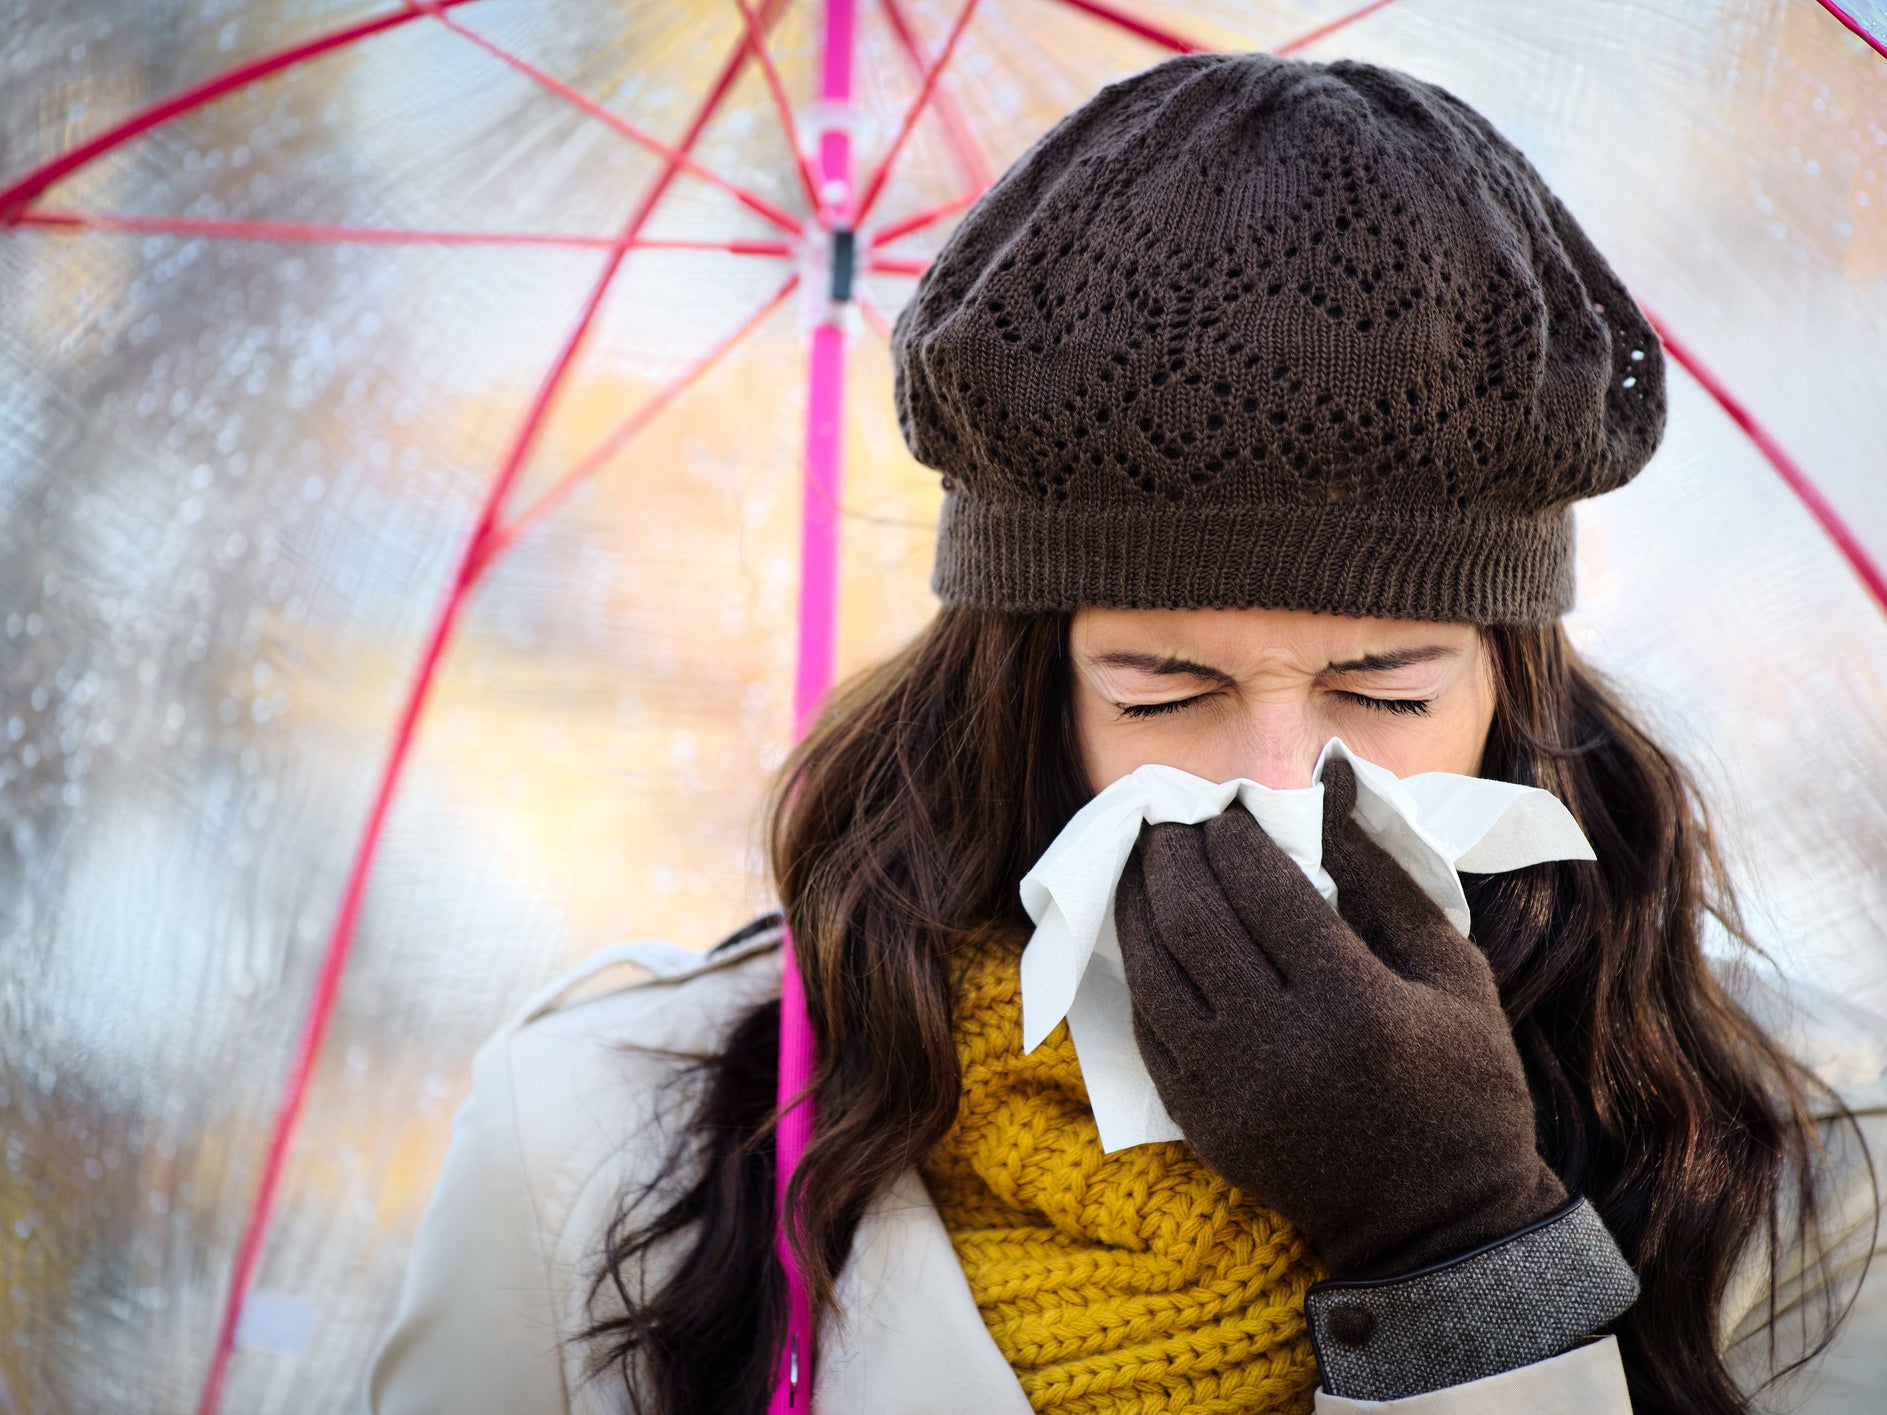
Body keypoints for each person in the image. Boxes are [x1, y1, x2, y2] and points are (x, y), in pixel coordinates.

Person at [366, 50, 1887, 1415]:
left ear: (1513, 690)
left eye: (1387, 695)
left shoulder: (1800, 1164)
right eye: (1166, 692)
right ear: (1022, 694)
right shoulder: (603, 1136)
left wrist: (1463, 1246)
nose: (1279, 785)